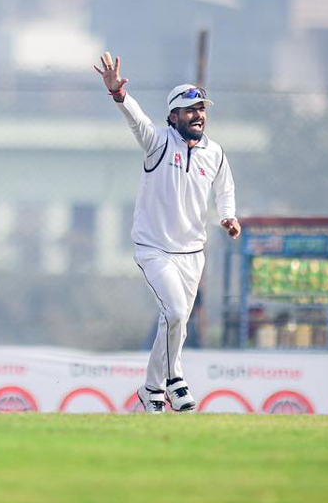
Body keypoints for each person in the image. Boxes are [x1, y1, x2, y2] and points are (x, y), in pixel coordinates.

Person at [93, 52, 239, 413]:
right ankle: (174, 378)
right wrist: (118, 95)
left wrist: (228, 216)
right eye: (190, 110)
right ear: (173, 116)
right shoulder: (158, 143)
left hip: (193, 253)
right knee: (174, 313)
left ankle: (150, 391)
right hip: (154, 249)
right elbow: (136, 121)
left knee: (174, 322)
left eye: (202, 109)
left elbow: (225, 190)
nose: (199, 115)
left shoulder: (215, 153)